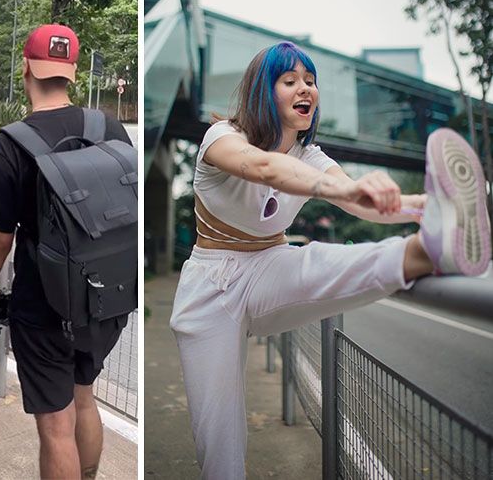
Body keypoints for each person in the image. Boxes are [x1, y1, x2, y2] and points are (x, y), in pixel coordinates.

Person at [169, 41, 491, 479]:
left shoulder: (312, 156)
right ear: (264, 90)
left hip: (269, 267)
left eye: (310, 81)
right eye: (290, 81)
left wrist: (426, 203)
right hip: (209, 285)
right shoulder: (222, 137)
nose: (305, 89)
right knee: (219, 442)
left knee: (318, 262)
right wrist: (336, 188)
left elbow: (361, 203)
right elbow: (263, 167)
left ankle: (425, 250)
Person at [0, 24, 133, 480]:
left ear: (26, 68)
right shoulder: (109, 126)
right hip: (106, 298)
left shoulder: (12, 144)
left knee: (56, 427)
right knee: (84, 397)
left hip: (45, 305)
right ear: (72, 72)